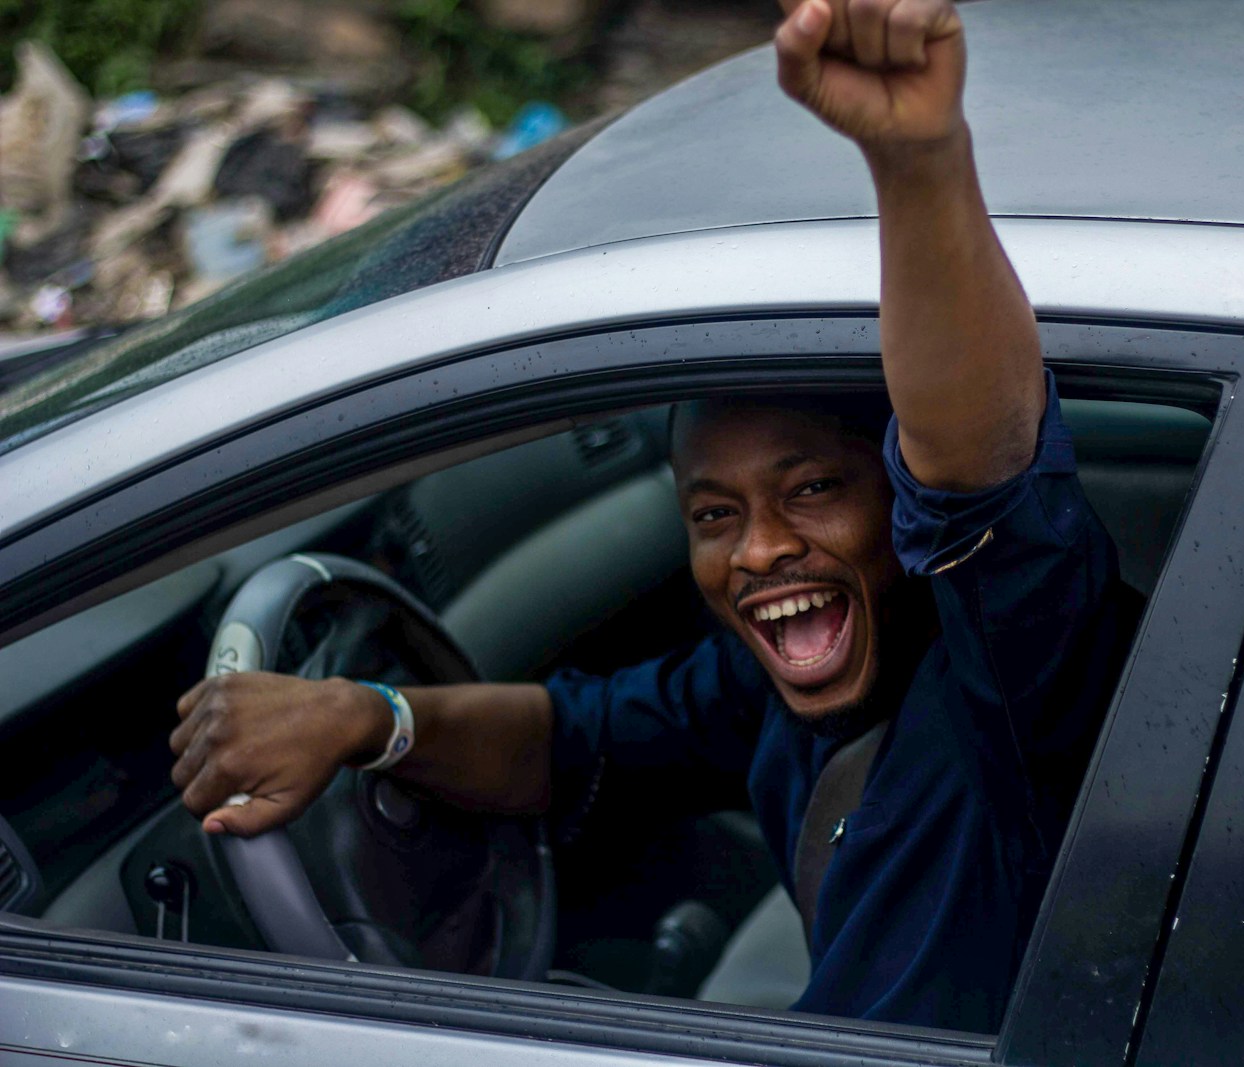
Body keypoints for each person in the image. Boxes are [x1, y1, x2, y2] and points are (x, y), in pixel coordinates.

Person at [169, 0, 1130, 1033]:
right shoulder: (781, 677)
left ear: (898, 494)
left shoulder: (1010, 675)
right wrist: (369, 718)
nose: (758, 548)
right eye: (715, 512)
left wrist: (918, 161)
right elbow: (580, 740)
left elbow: (980, 464)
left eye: (812, 489)